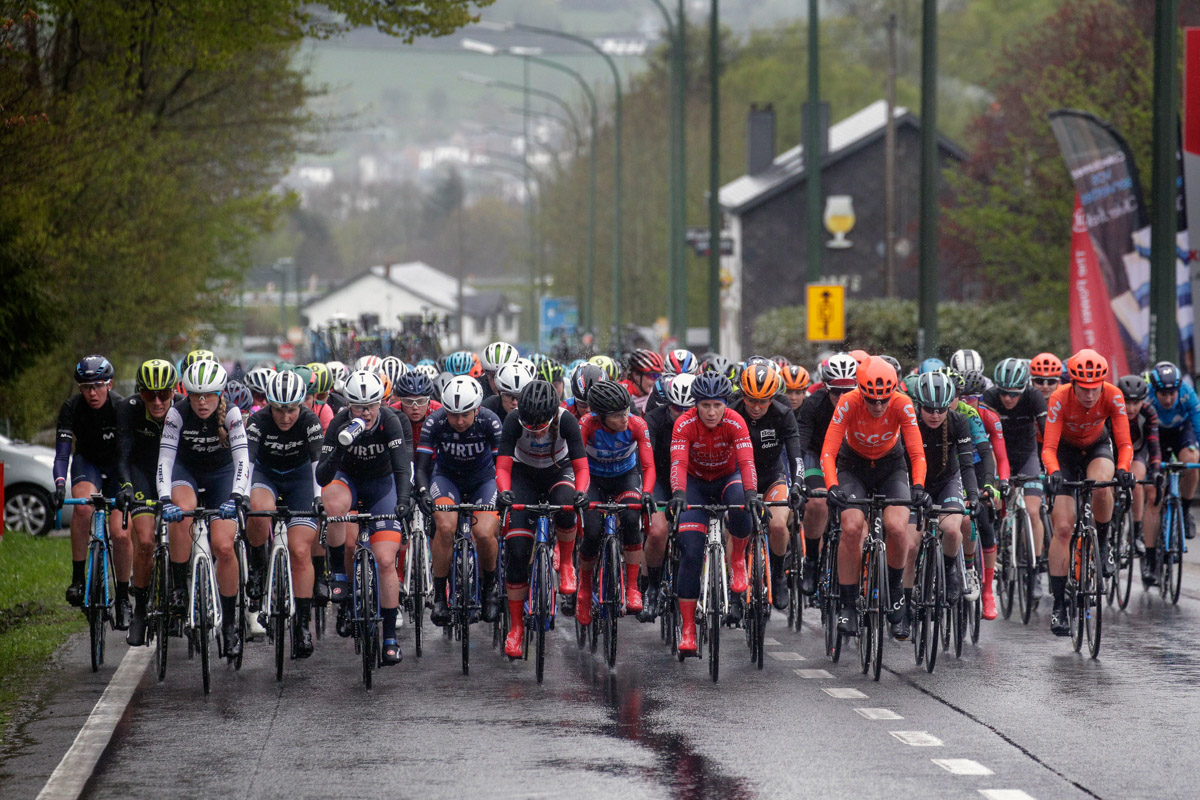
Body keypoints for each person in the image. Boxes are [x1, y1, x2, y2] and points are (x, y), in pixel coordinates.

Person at [820, 357, 927, 637]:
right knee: (852, 527)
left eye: (883, 400)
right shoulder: (848, 402)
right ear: (860, 391)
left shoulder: (903, 403)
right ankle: (848, 606)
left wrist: (917, 485)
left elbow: (916, 453)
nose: (878, 406)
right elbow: (829, 452)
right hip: (852, 467)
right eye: (871, 400)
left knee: (896, 527)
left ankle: (894, 591)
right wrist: (831, 486)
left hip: (891, 467)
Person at [316, 370, 413, 666]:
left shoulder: (390, 421)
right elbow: (322, 476)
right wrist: (340, 448)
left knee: (385, 560)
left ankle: (389, 639)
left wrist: (404, 502)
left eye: (371, 405)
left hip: (381, 486)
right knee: (333, 508)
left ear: (380, 403)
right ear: (348, 405)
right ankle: (340, 575)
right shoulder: (338, 423)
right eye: (358, 407)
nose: (366, 412)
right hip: (347, 482)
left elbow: (401, 469)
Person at [157, 360, 252, 656]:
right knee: (181, 511)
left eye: (208, 395)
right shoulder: (178, 412)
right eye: (196, 395)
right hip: (187, 472)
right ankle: (179, 590)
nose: (201, 402)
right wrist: (164, 499)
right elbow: (165, 462)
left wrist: (236, 497)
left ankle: (230, 626)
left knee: (224, 547)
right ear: (187, 393)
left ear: (220, 393)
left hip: (222, 477)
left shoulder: (232, 414)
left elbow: (242, 462)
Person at [495, 380, 590, 658]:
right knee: (517, 550)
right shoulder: (513, 420)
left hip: (558, 472)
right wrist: (504, 492)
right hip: (524, 475)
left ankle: (567, 565)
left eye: (540, 425)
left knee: (566, 505)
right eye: (529, 425)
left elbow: (581, 467)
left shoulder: (567, 420)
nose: (534, 431)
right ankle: (515, 628)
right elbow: (502, 466)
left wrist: (581, 493)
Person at [1041, 349, 1133, 636]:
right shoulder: (1059, 397)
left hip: (1097, 448)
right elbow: (1048, 448)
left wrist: (1124, 468)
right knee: (1064, 528)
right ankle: (1059, 606)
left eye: (1095, 389)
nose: (1090, 395)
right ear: (1074, 384)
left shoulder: (1114, 395)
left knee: (1103, 487)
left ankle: (1103, 545)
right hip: (1065, 455)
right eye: (1084, 389)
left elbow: (1125, 442)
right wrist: (1054, 472)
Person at [668, 374, 759, 654]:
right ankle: (687, 630)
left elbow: (746, 461)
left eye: (716, 405)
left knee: (743, 507)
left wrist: (752, 493)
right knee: (692, 552)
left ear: (724, 405)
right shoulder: (684, 424)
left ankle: (737, 560)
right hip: (694, 484)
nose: (710, 412)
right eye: (705, 405)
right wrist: (679, 493)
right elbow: (679, 462)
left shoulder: (735, 421)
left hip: (726, 478)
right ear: (695, 405)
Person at [245, 370, 325, 657]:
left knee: (301, 551)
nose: (285, 417)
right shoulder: (258, 421)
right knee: (257, 510)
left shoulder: (310, 421)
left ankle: (302, 625)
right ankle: (257, 565)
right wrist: (242, 493)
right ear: (269, 403)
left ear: (301, 404)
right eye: (278, 409)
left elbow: (318, 465)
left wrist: (318, 498)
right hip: (267, 475)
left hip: (301, 478)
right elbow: (249, 462)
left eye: (291, 409)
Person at [413, 376, 504, 626]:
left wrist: (504, 492)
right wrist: (422, 491)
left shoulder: (490, 421)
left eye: (465, 414)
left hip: (483, 480)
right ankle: (440, 595)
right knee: (444, 527)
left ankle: (489, 589)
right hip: (447, 479)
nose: (460, 421)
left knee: (485, 533)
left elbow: (502, 466)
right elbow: (421, 467)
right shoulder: (435, 421)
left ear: (477, 408)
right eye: (453, 415)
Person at [899, 371, 979, 639]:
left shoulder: (958, 422)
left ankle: (949, 570)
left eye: (941, 409)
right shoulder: (907, 422)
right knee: (910, 546)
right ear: (919, 405)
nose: (935, 415)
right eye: (929, 409)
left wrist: (975, 495)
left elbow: (967, 464)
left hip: (947, 481)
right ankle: (906, 609)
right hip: (913, 484)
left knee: (954, 529)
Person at [56, 355, 132, 626]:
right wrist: (60, 484)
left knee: (121, 535)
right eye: (85, 387)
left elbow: (127, 454)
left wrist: (128, 486)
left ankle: (123, 597)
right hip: (87, 463)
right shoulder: (72, 408)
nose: (92, 393)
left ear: (109, 384)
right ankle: (78, 578)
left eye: (97, 386)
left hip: (117, 468)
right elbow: (63, 454)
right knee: (83, 506)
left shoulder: (121, 406)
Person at [576, 381, 655, 624]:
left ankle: (632, 588)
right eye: (617, 415)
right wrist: (579, 492)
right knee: (592, 532)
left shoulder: (636, 424)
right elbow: (576, 463)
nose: (624, 418)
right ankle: (585, 589)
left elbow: (649, 466)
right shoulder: (587, 425)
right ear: (600, 417)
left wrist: (647, 493)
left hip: (625, 478)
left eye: (626, 412)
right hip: (594, 479)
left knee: (632, 519)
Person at [730, 364, 804, 614]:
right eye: (751, 399)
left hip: (772, 476)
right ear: (742, 394)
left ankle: (778, 574)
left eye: (764, 400)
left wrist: (797, 485)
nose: (758, 406)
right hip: (739, 476)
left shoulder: (783, 413)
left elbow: (795, 455)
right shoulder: (731, 410)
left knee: (778, 525)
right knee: (735, 529)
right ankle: (734, 589)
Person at [115, 359, 177, 645]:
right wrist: (126, 486)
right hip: (141, 474)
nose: (156, 401)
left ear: (174, 392)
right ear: (138, 393)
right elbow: (123, 455)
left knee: (185, 533)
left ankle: (181, 594)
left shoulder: (183, 411)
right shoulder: (127, 410)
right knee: (145, 541)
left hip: (175, 474)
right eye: (148, 394)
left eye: (163, 394)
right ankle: (140, 610)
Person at [981, 357, 1049, 604]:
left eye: (1013, 394)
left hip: (1028, 456)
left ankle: (1035, 569)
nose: (1008, 399)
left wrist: (1051, 468)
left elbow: (1047, 434)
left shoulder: (1033, 397)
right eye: (1003, 393)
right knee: (997, 505)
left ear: (1024, 389)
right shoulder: (989, 398)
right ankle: (998, 543)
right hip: (1000, 456)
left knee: (1033, 512)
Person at [794, 352, 858, 596]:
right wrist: (797, 474)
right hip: (817, 456)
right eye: (835, 393)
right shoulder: (814, 403)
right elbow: (801, 442)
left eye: (848, 392)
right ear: (825, 388)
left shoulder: (864, 403)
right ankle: (811, 560)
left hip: (848, 460)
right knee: (818, 502)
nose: (841, 398)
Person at [639, 373, 696, 622]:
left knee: (693, 532)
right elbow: (646, 461)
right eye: (676, 409)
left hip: (692, 480)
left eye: (688, 410)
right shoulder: (652, 419)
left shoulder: (705, 420)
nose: (681, 415)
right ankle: (652, 588)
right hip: (661, 479)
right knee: (657, 531)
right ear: (667, 404)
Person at [1115, 375, 1162, 585]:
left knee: (1136, 480)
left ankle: (1136, 532)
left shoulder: (1149, 412)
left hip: (1137, 452)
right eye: (1127, 402)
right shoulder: (1111, 409)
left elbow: (1153, 444)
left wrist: (1157, 469)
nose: (1131, 407)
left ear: (1144, 401)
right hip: (1113, 452)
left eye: (1136, 402)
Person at [1145, 361, 1200, 541]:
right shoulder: (1147, 396)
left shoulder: (1187, 393)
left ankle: (1184, 511)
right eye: (1163, 394)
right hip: (1156, 434)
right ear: (1155, 390)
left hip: (1181, 432)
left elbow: (1198, 426)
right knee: (1152, 489)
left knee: (1192, 461)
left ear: (1179, 389)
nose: (1168, 400)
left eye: (1172, 394)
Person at [621, 349, 665, 413]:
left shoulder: (659, 393)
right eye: (652, 376)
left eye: (659, 376)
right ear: (636, 375)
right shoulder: (622, 392)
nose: (656, 381)